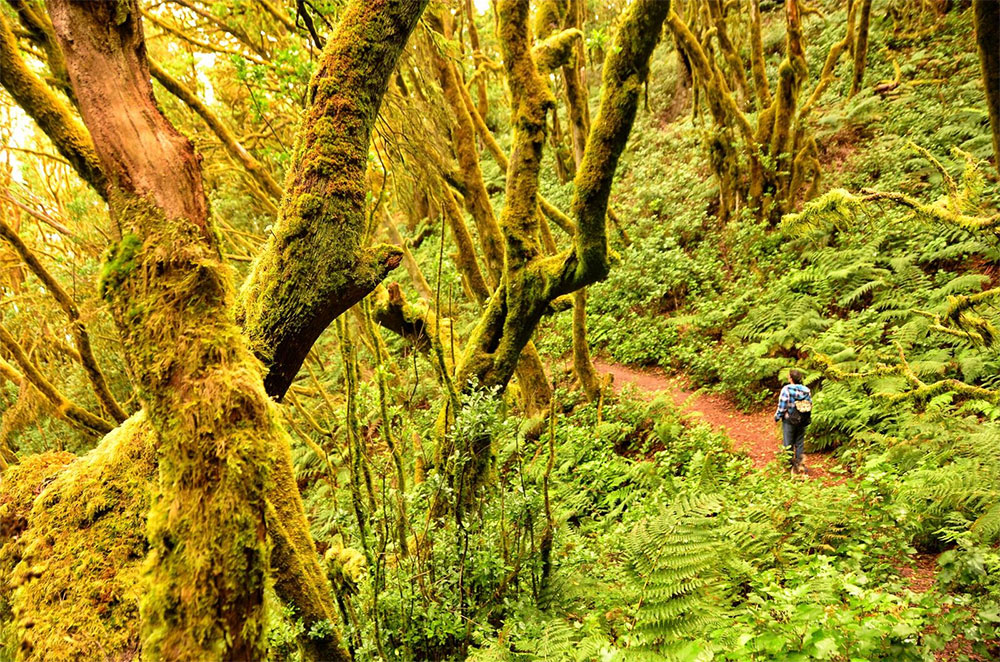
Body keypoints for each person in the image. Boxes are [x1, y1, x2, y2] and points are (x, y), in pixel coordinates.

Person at [774, 368, 812, 474]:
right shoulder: (806, 390)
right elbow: (809, 404)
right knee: (799, 443)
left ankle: (789, 466)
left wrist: (777, 417)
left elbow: (782, 406)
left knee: (788, 443)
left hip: (789, 420)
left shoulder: (786, 390)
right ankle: (799, 466)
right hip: (802, 419)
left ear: (791, 378)